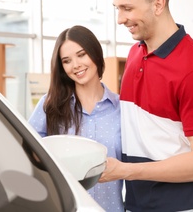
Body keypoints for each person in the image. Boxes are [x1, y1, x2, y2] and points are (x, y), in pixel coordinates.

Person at [99, 0, 193, 212]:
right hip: (140, 205)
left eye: (127, 8)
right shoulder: (136, 53)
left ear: (158, 4)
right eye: (117, 8)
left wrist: (126, 171)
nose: (120, 19)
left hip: (184, 207)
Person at [28, 25, 124, 212]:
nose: (76, 65)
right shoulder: (50, 106)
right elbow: (29, 153)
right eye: (67, 60)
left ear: (95, 54)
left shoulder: (121, 109)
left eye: (81, 55)